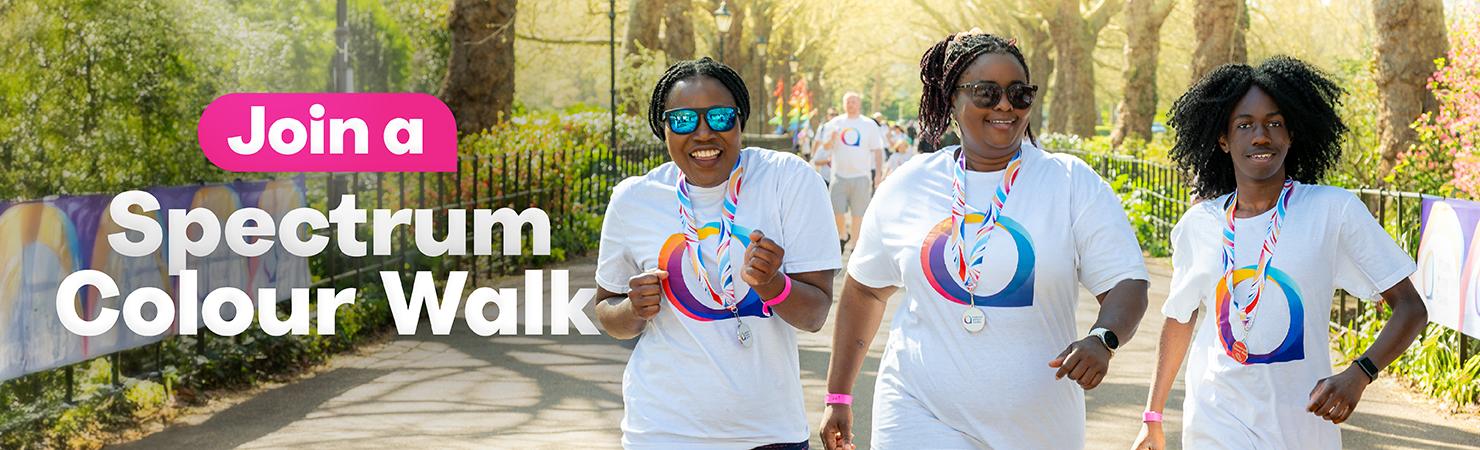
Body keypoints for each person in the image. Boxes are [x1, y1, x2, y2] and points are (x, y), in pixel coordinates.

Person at [819, 31, 1150, 450]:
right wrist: (838, 396)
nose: (1005, 104)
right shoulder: (908, 185)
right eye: (986, 92)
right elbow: (865, 290)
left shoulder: (1069, 182)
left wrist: (1104, 337)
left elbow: (1127, 281)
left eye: (1019, 93)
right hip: (918, 411)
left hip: (1038, 423)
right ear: (951, 101)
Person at [1132, 56, 1428, 450]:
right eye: (1244, 125)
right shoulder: (1198, 224)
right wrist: (1153, 416)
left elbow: (1410, 307)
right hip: (1215, 422)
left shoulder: (1332, 211)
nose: (1260, 136)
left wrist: (1360, 372)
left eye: (1274, 123)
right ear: (1223, 139)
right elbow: (1180, 318)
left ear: (1291, 134)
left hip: (1303, 427)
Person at [593, 57, 842, 450]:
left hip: (767, 434)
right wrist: (632, 309)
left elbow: (814, 315)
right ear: (664, 128)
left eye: (721, 117)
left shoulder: (789, 180)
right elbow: (607, 310)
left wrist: (773, 285)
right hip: (660, 432)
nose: (704, 134)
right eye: (683, 121)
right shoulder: (634, 200)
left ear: (740, 120)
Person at [818, 94, 887, 250]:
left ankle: (855, 248)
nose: (850, 105)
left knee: (858, 215)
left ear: (859, 105)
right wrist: (831, 139)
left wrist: (878, 175)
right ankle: (843, 235)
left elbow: (877, 151)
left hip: (861, 176)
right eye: (847, 102)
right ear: (843, 105)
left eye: (853, 102)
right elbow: (826, 148)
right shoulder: (835, 123)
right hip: (839, 175)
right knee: (836, 211)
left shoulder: (869, 125)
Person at [811, 108, 840, 186]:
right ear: (828, 116)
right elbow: (816, 142)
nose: (834, 116)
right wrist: (813, 156)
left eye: (836, 114)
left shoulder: (842, 127)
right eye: (832, 114)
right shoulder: (823, 127)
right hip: (824, 158)